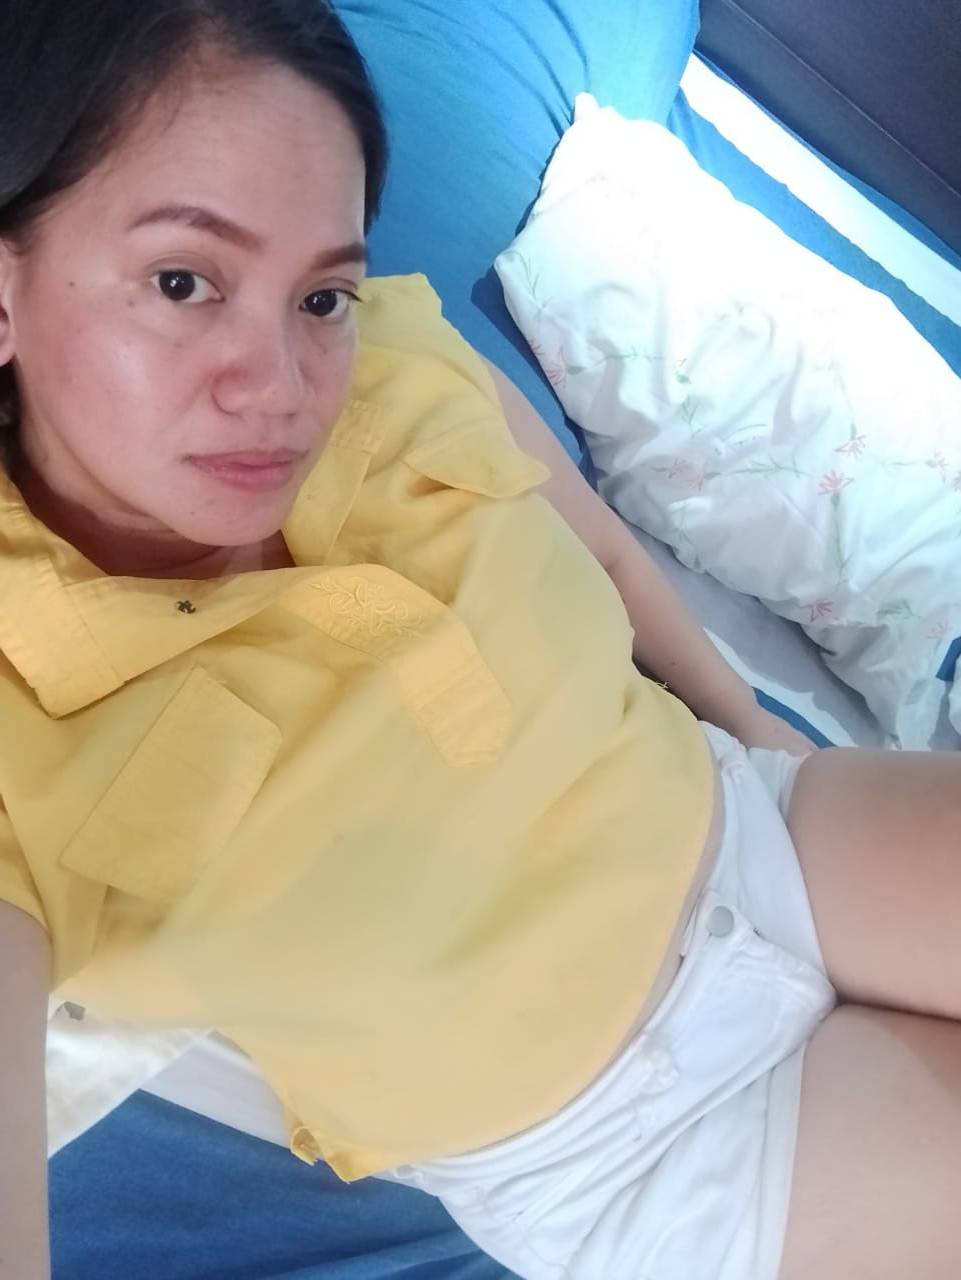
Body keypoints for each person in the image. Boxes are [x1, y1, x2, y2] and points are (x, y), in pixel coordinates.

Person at [0, 2, 958, 1279]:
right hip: (636, 1146)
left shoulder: (392, 353)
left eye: (319, 294)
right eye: (184, 282)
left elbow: (606, 558)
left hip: (758, 831)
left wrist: (759, 729)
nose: (279, 385)